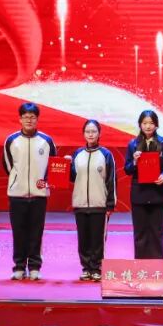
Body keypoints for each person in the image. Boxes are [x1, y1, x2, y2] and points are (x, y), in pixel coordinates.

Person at [3, 102, 56, 280]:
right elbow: (9, 166)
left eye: (32, 117)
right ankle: (19, 267)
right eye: (25, 117)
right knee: (18, 232)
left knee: (36, 232)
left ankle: (34, 267)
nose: (29, 120)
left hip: (39, 195)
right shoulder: (11, 141)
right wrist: (18, 181)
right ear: (20, 119)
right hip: (17, 195)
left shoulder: (46, 141)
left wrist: (42, 182)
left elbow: (53, 166)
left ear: (37, 119)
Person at [124, 109, 163, 260]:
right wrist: (134, 161)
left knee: (156, 231)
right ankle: (141, 265)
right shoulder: (133, 144)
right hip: (139, 193)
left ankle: (157, 266)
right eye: (145, 123)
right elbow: (127, 169)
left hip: (158, 193)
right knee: (140, 231)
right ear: (140, 125)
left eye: (151, 123)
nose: (148, 126)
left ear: (156, 125)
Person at [69, 120, 116, 281]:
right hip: (80, 203)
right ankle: (86, 268)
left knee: (97, 239)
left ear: (99, 134)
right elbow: (72, 177)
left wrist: (110, 204)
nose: (90, 134)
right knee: (83, 239)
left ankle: (96, 268)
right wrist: (66, 165)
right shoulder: (77, 154)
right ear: (84, 134)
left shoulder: (106, 155)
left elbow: (111, 181)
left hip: (99, 204)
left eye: (94, 131)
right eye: (88, 131)